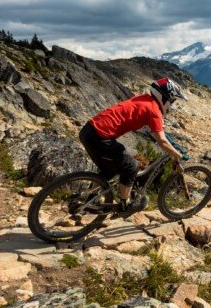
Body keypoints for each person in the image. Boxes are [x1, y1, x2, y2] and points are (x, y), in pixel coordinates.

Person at [79, 77, 187, 217]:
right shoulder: (154, 110)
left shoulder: (145, 100)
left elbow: (140, 118)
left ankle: (90, 200)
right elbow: (162, 141)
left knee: (110, 168)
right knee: (132, 166)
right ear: (165, 97)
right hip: (100, 137)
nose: (171, 105)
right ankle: (125, 205)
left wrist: (158, 126)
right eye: (172, 101)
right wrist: (176, 154)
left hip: (88, 131)